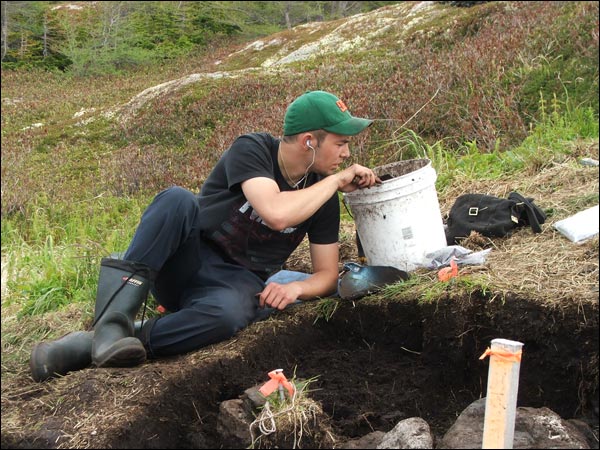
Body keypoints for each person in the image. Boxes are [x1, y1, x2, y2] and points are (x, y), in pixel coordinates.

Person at [29, 90, 380, 382]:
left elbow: (326, 274)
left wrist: (296, 287)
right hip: (186, 261)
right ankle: (112, 322)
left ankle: (105, 341)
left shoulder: (322, 196)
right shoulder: (254, 149)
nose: (347, 153)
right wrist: (337, 180)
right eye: (340, 143)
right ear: (309, 141)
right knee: (178, 200)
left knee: (228, 316)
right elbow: (275, 213)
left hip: (235, 285)